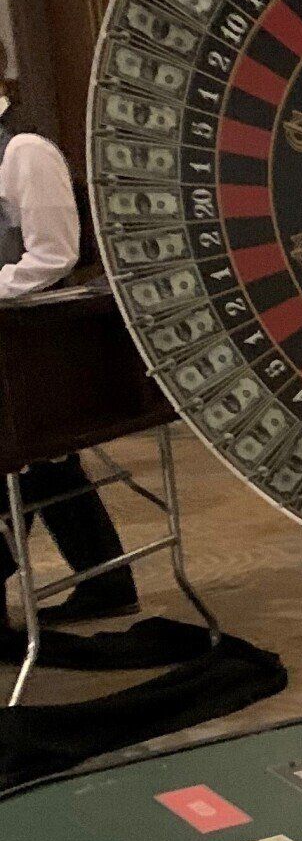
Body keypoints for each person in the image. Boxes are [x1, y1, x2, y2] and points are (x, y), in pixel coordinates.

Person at [0, 34, 137, 622]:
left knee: (26, 460)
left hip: (37, 346)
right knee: (45, 465)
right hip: (13, 352)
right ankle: (108, 579)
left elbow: (55, 255)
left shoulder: (23, 150)